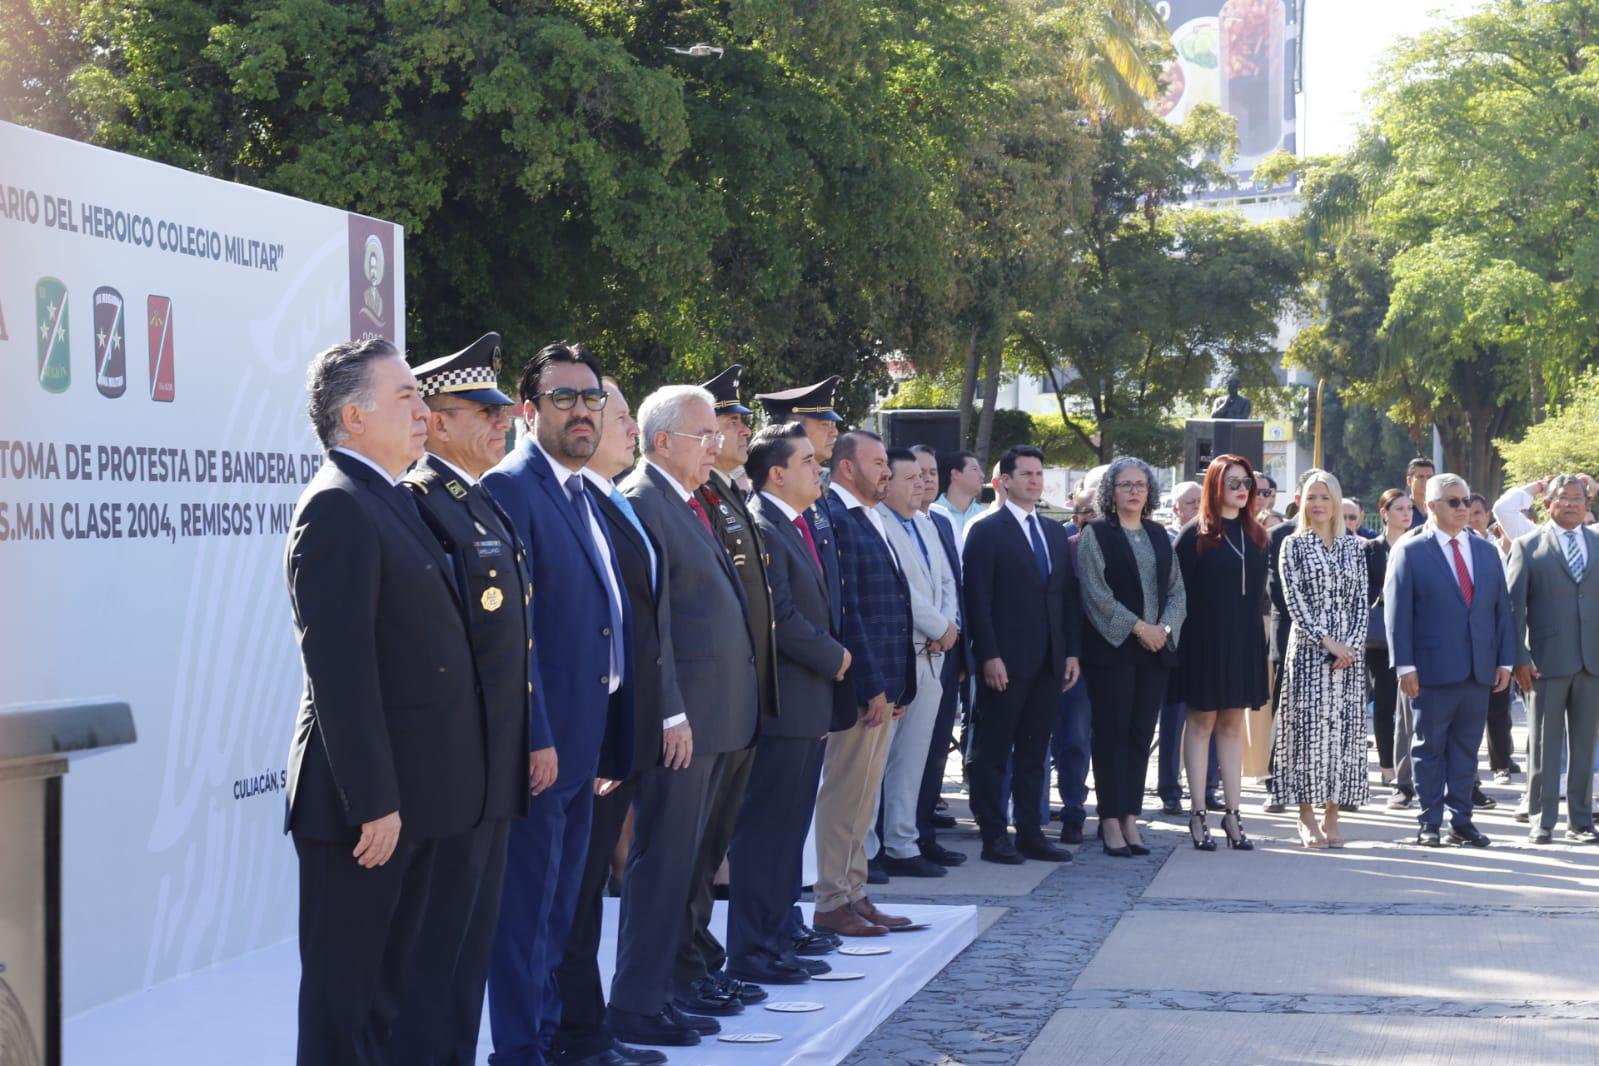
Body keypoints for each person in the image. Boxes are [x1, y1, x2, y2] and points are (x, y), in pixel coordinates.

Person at [283, 338, 490, 1065]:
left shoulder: (392, 498)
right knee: (347, 1001)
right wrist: (372, 799)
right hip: (364, 810)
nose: (422, 408)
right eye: (404, 395)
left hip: (416, 796)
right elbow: (340, 670)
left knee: (389, 996)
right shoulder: (339, 505)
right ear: (353, 416)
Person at [482, 341, 633, 1065]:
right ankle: (519, 1050)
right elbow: (519, 637)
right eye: (564, 398)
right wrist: (536, 735)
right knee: (527, 913)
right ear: (526, 409)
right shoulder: (513, 488)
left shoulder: (580, 491)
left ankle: (546, 1041)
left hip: (584, 736)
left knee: (562, 908)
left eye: (591, 399)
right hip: (541, 747)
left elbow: (600, 623)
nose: (582, 412)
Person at [392, 334, 534, 1065]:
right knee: (432, 949)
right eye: (481, 410)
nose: (500, 421)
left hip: (492, 765)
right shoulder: (421, 504)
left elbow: (515, 646)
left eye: (501, 408)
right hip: (450, 767)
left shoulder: (480, 504)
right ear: (436, 421)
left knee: (466, 949)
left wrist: (530, 735)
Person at [607, 385, 759, 1047]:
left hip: (721, 715)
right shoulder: (643, 500)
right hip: (684, 723)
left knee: (695, 863)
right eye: (704, 435)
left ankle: (676, 982)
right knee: (664, 862)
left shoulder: (692, 500)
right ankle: (640, 1000)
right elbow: (652, 625)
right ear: (661, 440)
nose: (716, 445)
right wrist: (669, 711)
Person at [550, 377, 674, 1066]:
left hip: (614, 729)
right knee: (573, 896)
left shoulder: (603, 504)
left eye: (623, 416)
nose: (623, 428)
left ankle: (585, 1027)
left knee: (588, 890)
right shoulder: (585, 503)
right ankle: (576, 1031)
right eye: (617, 417)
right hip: (582, 731)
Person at [727, 423, 853, 984]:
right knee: (767, 832)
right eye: (807, 461)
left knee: (789, 830)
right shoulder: (762, 524)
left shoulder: (798, 523)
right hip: (784, 702)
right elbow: (778, 615)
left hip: (808, 702)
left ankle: (779, 932)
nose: (818, 469)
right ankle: (755, 948)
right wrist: (835, 657)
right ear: (776, 473)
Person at [671, 366, 780, 1017]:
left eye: (735, 425)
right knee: (685, 855)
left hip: (734, 703)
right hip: (700, 707)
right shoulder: (691, 499)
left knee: (709, 847)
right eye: (721, 425)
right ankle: (684, 963)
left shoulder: (724, 495)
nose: (734, 435)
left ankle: (699, 955)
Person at [813, 430, 917, 935]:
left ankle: (855, 892)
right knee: (845, 797)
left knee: (864, 799)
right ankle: (833, 899)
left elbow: (891, 608)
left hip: (883, 690)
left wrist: (897, 687)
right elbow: (849, 613)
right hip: (860, 691)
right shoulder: (835, 518)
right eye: (878, 463)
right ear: (847, 468)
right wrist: (872, 686)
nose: (887, 473)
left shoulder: (869, 518)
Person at [1386, 472, 1514, 848]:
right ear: (1431, 506)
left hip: (1477, 670)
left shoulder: (1487, 551)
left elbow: (1500, 612)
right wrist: (1404, 666)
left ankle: (1462, 820)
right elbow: (1398, 614)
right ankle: (1429, 822)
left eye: (1466, 501)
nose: (1463, 509)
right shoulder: (1410, 550)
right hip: (1430, 671)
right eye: (1453, 502)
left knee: (1465, 749)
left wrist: (1504, 660)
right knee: (1428, 749)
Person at [1077, 456, 1184, 857]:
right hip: (1113, 650)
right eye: (1125, 485)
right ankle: (1108, 819)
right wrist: (1140, 628)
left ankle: (1130, 818)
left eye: (1141, 485)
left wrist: (1164, 630)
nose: (1135, 491)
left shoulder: (1159, 535)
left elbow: (1177, 591)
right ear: (1111, 491)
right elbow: (1095, 594)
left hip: (1155, 652)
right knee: (1111, 735)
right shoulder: (1097, 534)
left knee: (1141, 735)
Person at [869, 449, 960, 877]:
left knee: (913, 760)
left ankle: (903, 843)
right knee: (876, 762)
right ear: (886, 484)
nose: (920, 484)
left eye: (924, 476)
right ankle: (868, 850)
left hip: (933, 656)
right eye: (909, 477)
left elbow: (945, 581)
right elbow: (904, 590)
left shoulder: (925, 523)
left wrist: (950, 625)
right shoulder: (879, 524)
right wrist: (940, 626)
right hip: (903, 653)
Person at [1174, 454, 1268, 851]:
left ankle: (1233, 814)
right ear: (1215, 486)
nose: (1243, 489)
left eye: (1246, 482)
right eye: (1233, 482)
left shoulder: (1258, 535)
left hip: (1244, 641)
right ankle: (1197, 814)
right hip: (1203, 642)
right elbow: (1176, 597)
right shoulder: (1193, 535)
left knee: (1232, 726)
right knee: (1201, 725)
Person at [1271, 469, 1369, 848]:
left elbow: (1362, 601)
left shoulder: (1352, 547)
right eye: (1311, 497)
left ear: (1336, 502)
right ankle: (1306, 814)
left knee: (1343, 736)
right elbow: (1294, 603)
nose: (1317, 504)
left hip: (1349, 656)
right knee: (1307, 735)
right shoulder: (1292, 546)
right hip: (1311, 653)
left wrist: (1352, 646)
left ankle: (1333, 813)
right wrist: (1329, 643)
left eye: (1324, 497)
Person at [1508, 475, 1599, 844]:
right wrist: (1518, 657)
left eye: (1580, 499)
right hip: (1543, 663)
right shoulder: (1528, 546)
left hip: (1591, 663)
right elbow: (1513, 608)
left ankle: (1580, 821)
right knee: (1545, 745)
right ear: (1549, 504)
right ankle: (1541, 820)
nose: (1573, 505)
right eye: (1565, 499)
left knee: (1584, 745)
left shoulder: (1597, 543)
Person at [911, 445, 972, 867]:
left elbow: (952, 583)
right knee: (906, 756)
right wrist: (937, 629)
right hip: (915, 650)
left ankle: (923, 831)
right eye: (919, 473)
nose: (928, 480)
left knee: (934, 753)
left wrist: (953, 633)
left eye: (933, 472)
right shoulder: (888, 522)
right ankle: (899, 837)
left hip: (947, 650)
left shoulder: (940, 522)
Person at [1366, 489, 1413, 799]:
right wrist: (1385, 593)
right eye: (1399, 508)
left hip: (1415, 635)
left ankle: (1409, 767)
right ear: (1384, 513)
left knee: (1411, 706)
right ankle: (1387, 768)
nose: (1406, 514)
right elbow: (1364, 592)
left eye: (1410, 508)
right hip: (1380, 639)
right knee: (1385, 704)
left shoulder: (1418, 545)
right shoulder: (1371, 549)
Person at [931, 448, 986, 543]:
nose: (982, 475)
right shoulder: (932, 514)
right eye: (974, 469)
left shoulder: (985, 515)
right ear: (955, 474)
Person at [1405, 458, 1435, 529]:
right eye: (1420, 477)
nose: (1426, 481)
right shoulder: (1402, 510)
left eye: (1429, 477)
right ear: (1409, 481)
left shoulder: (1440, 509)